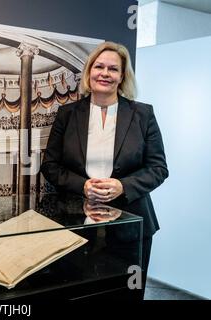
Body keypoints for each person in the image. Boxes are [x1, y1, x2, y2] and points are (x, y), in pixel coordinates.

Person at [40, 41, 168, 299]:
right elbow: (50, 166)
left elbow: (158, 168)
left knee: (125, 294)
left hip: (132, 225)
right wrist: (82, 186)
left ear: (122, 76)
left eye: (113, 69)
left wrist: (123, 186)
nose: (105, 73)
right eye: (99, 66)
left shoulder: (143, 114)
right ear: (89, 72)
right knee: (79, 292)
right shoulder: (67, 114)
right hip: (75, 223)